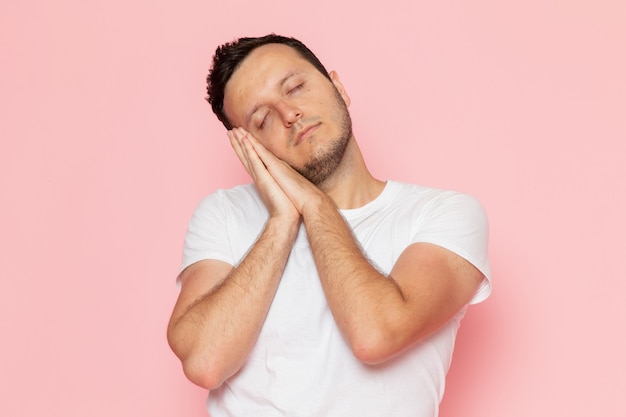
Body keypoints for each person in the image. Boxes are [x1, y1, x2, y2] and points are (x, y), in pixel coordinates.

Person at [167, 34, 492, 417]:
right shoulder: (224, 213)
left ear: (338, 86)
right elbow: (205, 362)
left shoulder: (443, 213)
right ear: (249, 150)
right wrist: (282, 221)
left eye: (296, 87)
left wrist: (313, 202)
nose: (289, 114)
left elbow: (375, 333)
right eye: (262, 119)